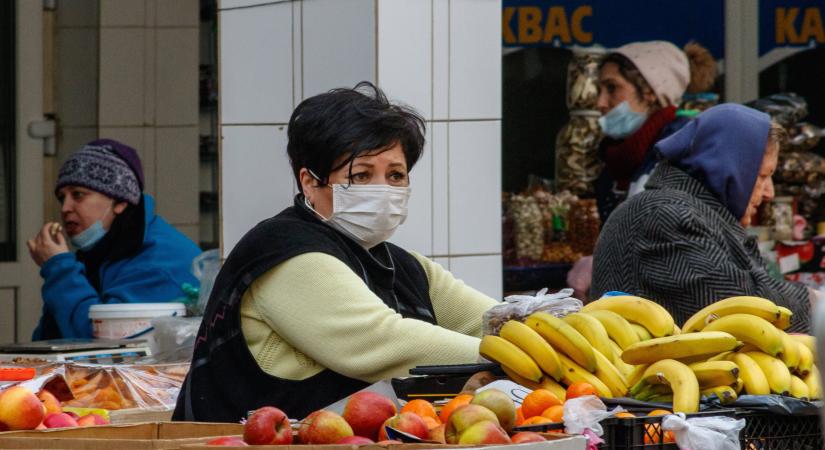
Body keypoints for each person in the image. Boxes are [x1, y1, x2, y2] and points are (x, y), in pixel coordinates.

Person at [173, 82, 499, 422]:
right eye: (360, 175)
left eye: (395, 175)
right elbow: (382, 339)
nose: (382, 190)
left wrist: (548, 337)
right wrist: (510, 362)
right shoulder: (284, 251)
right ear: (309, 182)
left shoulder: (403, 267)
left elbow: (492, 321)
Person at [591, 103, 819, 332]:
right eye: (762, 176)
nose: (769, 192)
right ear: (729, 168)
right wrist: (816, 305)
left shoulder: (693, 212)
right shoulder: (664, 215)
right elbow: (739, 305)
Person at [567, 40, 716, 300]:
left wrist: (606, 260)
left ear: (649, 91)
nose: (601, 102)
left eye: (612, 88)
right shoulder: (616, 159)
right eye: (599, 89)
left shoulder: (683, 154)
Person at [27, 139, 202, 340]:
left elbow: (99, 345)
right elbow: (50, 341)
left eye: (78, 195)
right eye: (62, 198)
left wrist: (59, 269)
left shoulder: (158, 260)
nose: (65, 208)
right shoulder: (101, 252)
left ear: (120, 201)